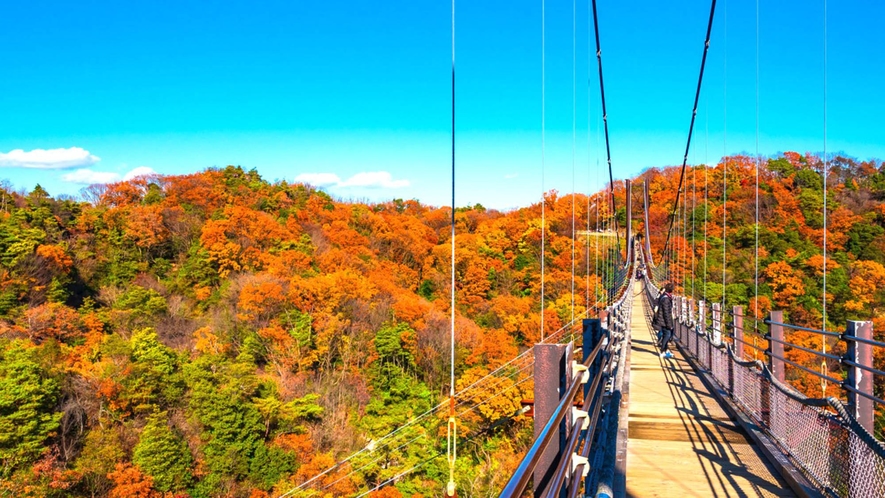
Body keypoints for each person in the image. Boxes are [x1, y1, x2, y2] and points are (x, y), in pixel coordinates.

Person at [651, 282, 675, 359]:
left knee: (666, 335)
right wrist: (669, 324)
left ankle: (665, 350)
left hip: (663, 320)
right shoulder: (666, 299)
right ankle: (662, 351)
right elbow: (666, 312)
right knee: (667, 335)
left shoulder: (664, 297)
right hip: (664, 321)